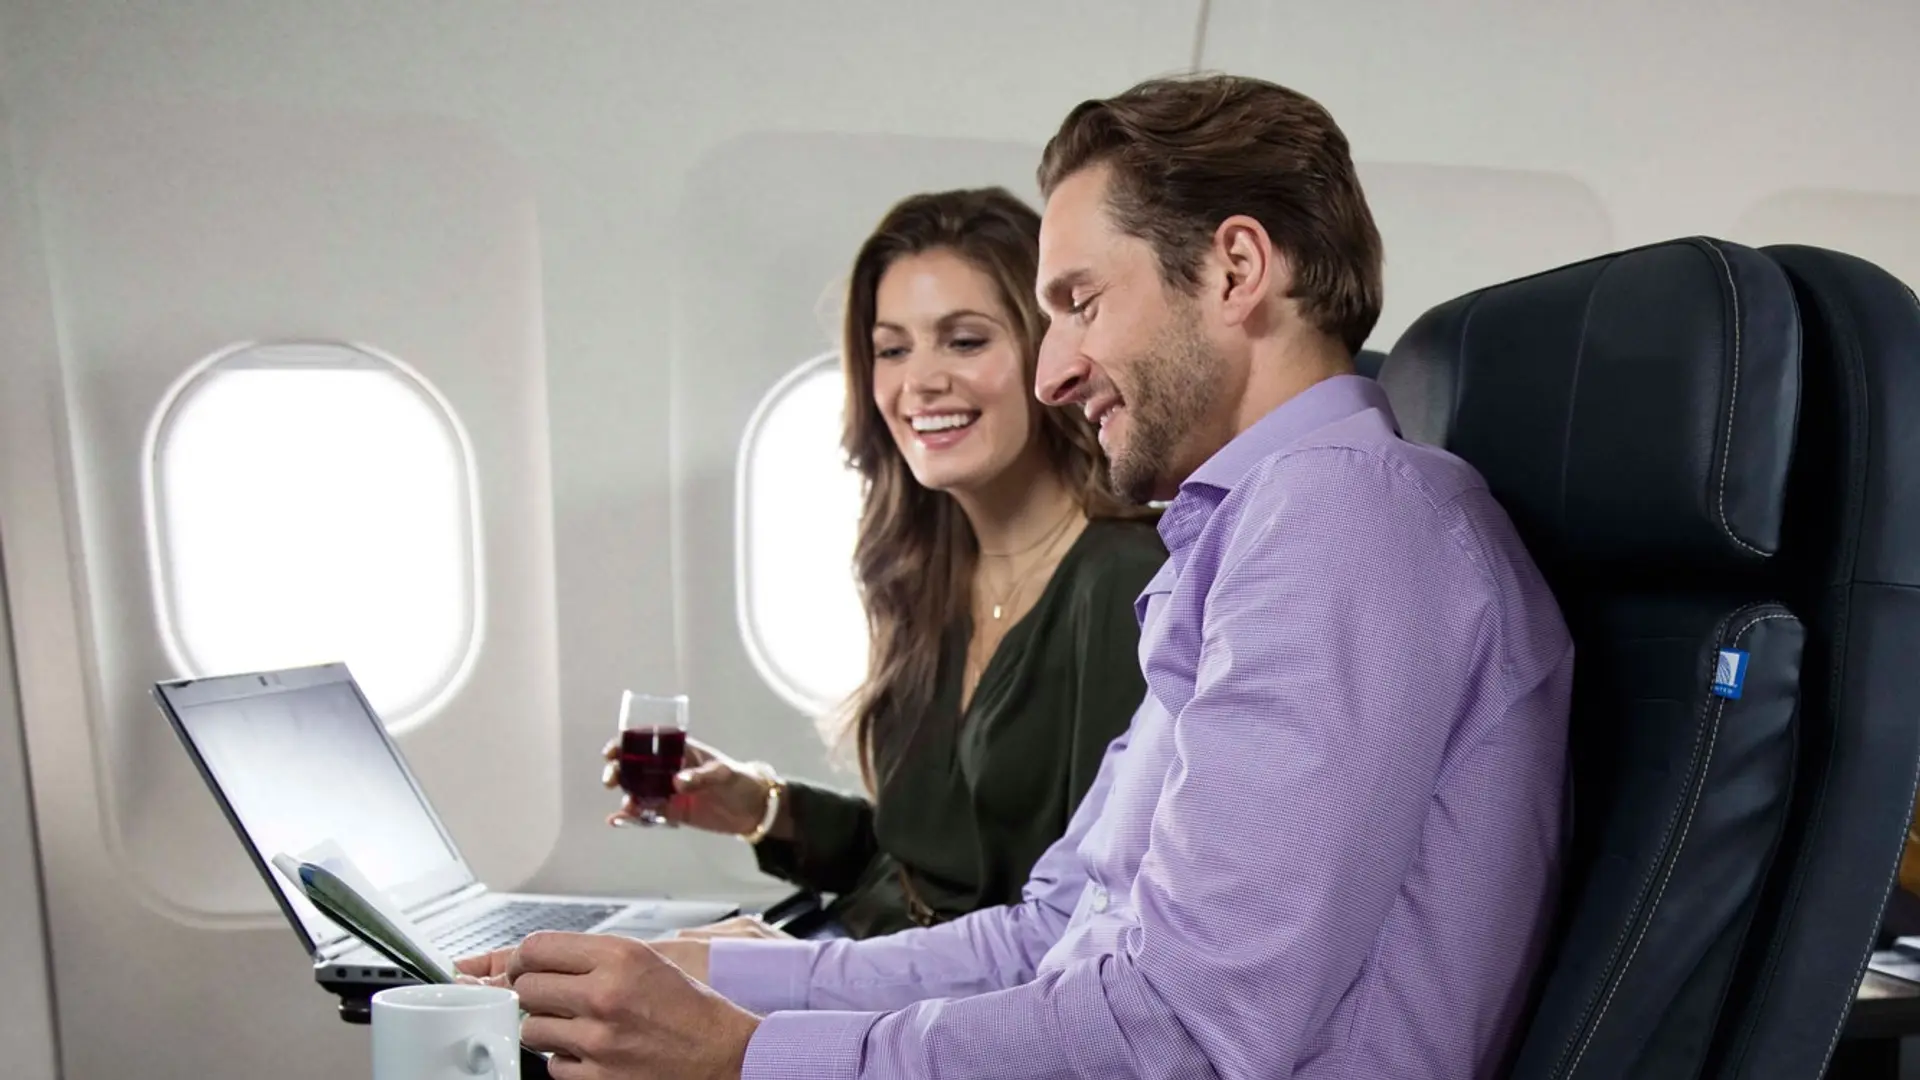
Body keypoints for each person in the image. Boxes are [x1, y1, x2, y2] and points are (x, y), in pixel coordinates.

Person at [460, 72, 1575, 1080]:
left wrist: (751, 1060)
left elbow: (1185, 1031)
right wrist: (722, 976)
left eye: (1080, 304)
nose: (1051, 374)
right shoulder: (1240, 537)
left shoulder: (1348, 528)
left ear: (1236, 269)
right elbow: (1050, 931)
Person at [601, 187, 1166, 941]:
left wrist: (794, 980)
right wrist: (757, 806)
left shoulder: (1125, 581)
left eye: (965, 341)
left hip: (965, 1007)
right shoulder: (928, 569)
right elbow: (917, 863)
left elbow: (1074, 920)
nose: (919, 381)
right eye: (892, 349)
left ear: (1047, 354)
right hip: (878, 959)